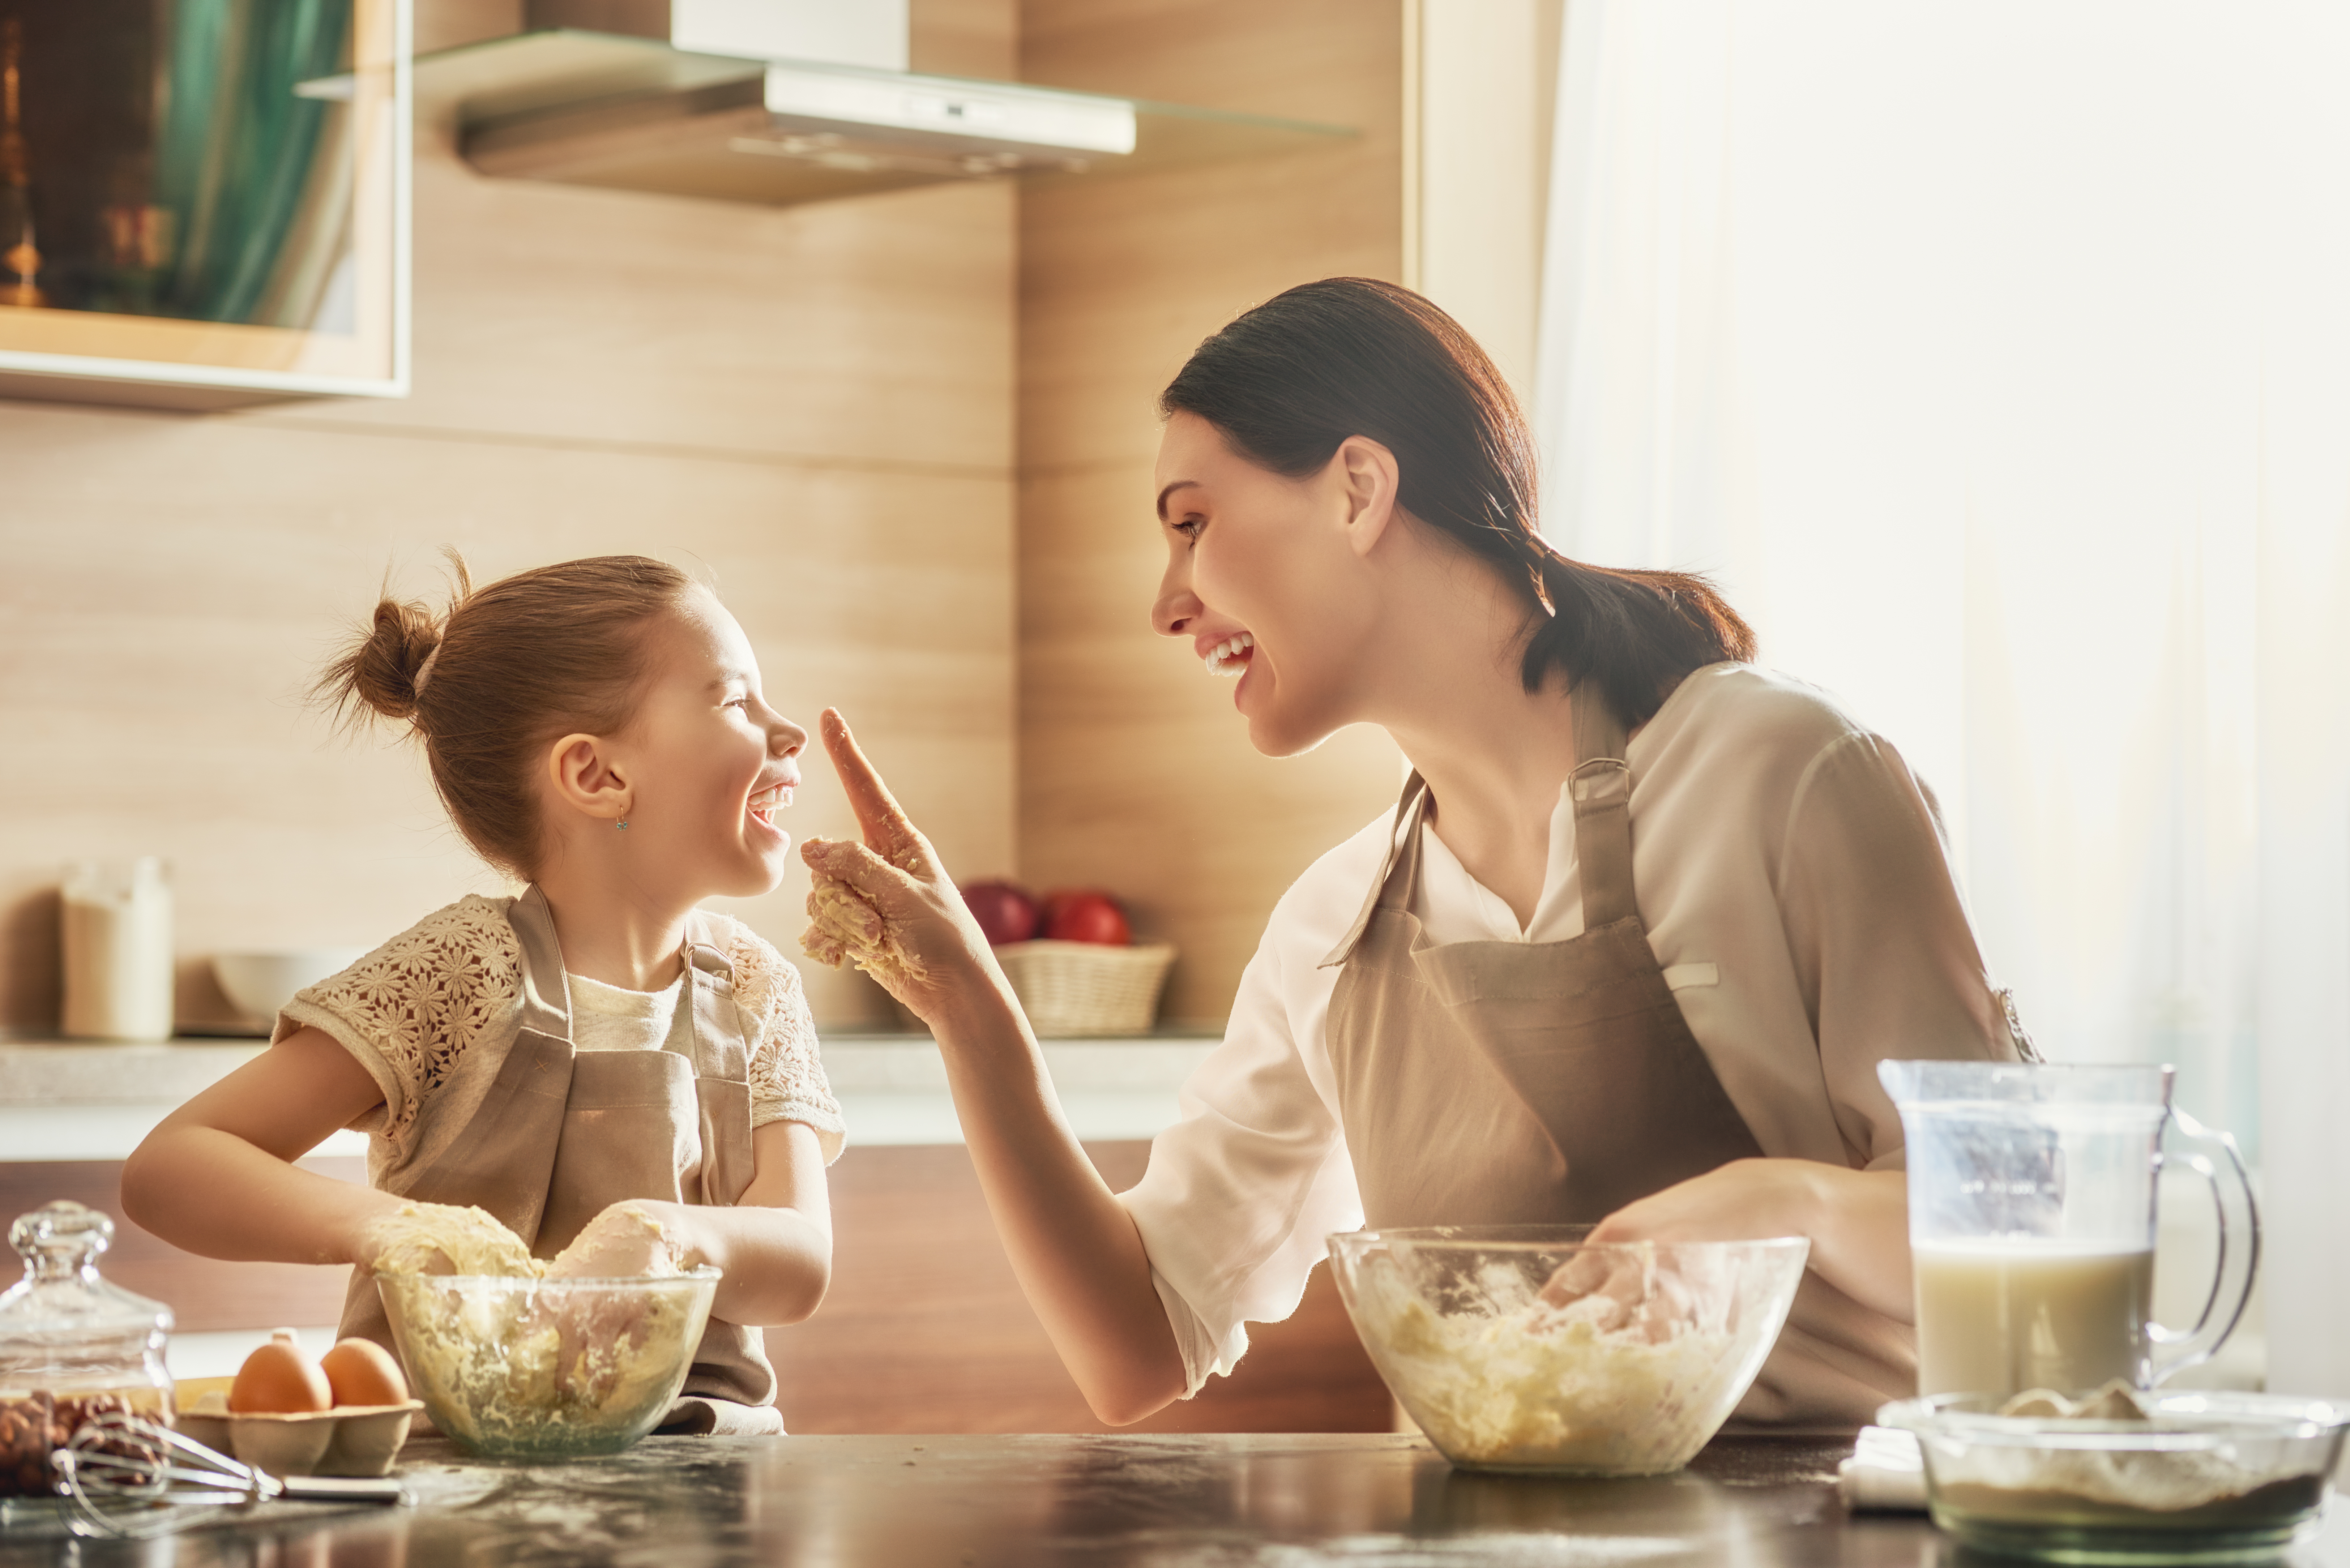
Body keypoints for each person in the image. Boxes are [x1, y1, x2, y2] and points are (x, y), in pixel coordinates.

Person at [800, 277, 2029, 1432]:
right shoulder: (1332, 922)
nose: (1165, 601)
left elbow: (2022, 1233)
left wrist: (1783, 1201)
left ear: (1357, 488)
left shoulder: (1783, 774)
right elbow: (1137, 1339)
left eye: (1193, 523)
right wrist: (970, 1007)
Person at [123, 555, 840, 1435]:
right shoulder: (461, 970)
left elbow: (802, 1262)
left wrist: (675, 1237)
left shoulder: (757, 991)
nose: (787, 729)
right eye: (736, 701)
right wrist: (397, 1234)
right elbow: (173, 1167)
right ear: (596, 776)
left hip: (700, 1482)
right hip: (445, 1483)